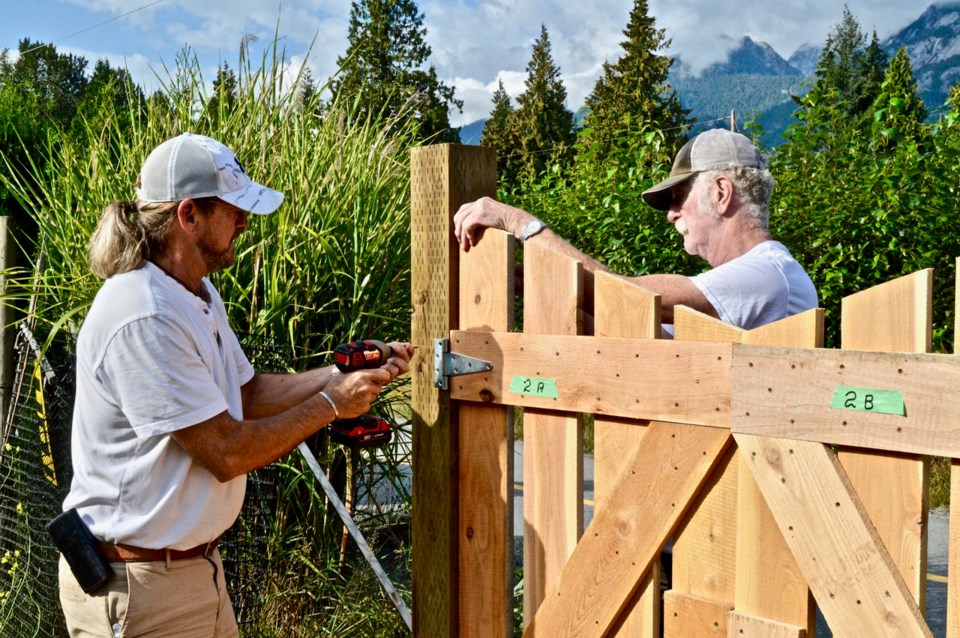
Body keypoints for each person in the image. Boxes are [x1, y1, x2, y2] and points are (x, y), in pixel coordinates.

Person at [56, 132, 413, 637]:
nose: (246, 221)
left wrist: (340, 375)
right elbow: (225, 451)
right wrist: (332, 404)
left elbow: (246, 394)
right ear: (188, 216)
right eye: (233, 208)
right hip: (137, 584)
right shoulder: (143, 312)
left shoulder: (196, 293)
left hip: (192, 571)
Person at [454, 128, 818, 335]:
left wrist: (519, 224)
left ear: (721, 193)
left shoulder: (767, 275)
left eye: (678, 197)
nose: (671, 215)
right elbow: (645, 334)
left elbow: (629, 297)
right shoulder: (752, 282)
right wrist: (545, 285)